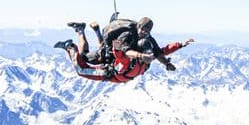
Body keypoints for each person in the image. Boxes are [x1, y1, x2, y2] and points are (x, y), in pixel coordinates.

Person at [55, 17, 194, 82]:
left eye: (146, 31)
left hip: (116, 65)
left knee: (90, 55)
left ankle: (82, 30)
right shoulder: (127, 36)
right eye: (142, 28)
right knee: (81, 67)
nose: (143, 32)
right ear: (138, 26)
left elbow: (160, 52)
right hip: (111, 69)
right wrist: (140, 56)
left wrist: (176, 50)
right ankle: (70, 46)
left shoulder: (148, 42)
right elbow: (124, 53)